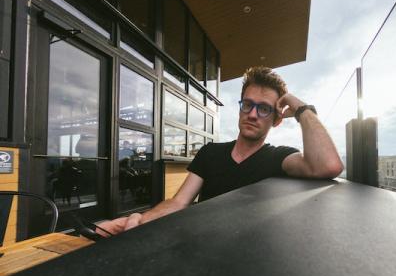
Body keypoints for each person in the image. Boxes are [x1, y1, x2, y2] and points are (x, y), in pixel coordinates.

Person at [98, 66, 343, 236]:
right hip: (201, 250)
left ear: (276, 120)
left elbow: (328, 165)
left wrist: (301, 109)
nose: (253, 114)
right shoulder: (210, 153)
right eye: (247, 105)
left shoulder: (278, 158)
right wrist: (140, 220)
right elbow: (178, 202)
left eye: (264, 109)